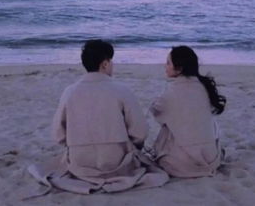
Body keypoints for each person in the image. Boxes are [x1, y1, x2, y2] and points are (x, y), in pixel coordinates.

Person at [31, 40, 168, 194]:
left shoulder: (69, 92)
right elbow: (140, 132)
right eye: (111, 61)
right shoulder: (122, 90)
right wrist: (132, 145)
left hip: (80, 163)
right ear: (105, 64)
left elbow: (58, 135)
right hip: (117, 163)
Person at [149, 46, 226, 178]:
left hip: (184, 164)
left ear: (179, 68)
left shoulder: (171, 92)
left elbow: (156, 112)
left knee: (167, 129)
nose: (165, 66)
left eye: (168, 63)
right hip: (211, 159)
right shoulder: (204, 87)